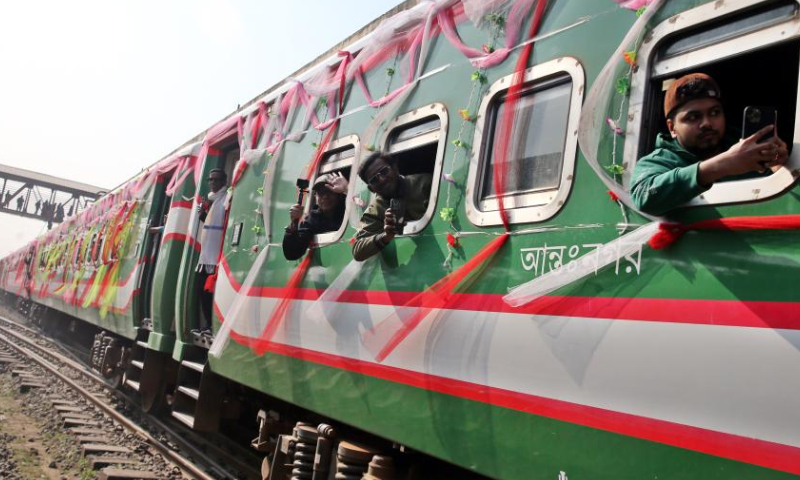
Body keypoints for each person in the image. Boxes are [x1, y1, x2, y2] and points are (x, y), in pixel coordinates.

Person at [631, 73, 789, 216]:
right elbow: (643, 196)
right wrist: (723, 165)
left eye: (714, 113)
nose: (706, 123)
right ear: (672, 128)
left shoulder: (745, 147)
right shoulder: (658, 162)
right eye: (693, 117)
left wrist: (779, 166)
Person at [352, 152, 432, 261]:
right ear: (371, 189)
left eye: (384, 171)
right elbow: (358, 251)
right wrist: (385, 236)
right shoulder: (377, 208)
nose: (382, 179)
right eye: (374, 180)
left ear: (395, 168)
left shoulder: (425, 183)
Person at [282, 172, 348, 261]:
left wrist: (347, 189)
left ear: (339, 194)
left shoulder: (348, 206)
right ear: (315, 197)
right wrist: (293, 222)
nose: (325, 196)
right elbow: (292, 254)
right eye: (320, 193)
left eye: (330, 191)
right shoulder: (313, 218)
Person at [195, 168, 228, 334]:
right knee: (202, 292)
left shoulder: (226, 198)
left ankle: (211, 325)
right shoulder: (213, 200)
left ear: (224, 181)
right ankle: (208, 324)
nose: (213, 183)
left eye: (216, 180)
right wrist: (203, 216)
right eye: (210, 179)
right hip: (206, 256)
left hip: (216, 257)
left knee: (209, 294)